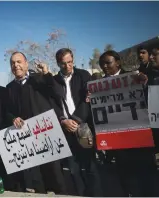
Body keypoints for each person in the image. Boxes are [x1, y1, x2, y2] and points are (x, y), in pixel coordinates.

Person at [6, 52, 67, 194]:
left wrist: (47, 74)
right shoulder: (9, 88)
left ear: (26, 64)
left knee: (57, 178)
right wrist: (13, 118)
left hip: (48, 137)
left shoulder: (40, 78)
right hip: (28, 143)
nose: (16, 65)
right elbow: (8, 111)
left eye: (19, 61)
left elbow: (59, 93)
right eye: (13, 63)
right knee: (37, 182)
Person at [98, 50, 158, 197]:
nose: (104, 66)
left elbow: (152, 103)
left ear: (118, 62)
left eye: (108, 62)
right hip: (118, 141)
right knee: (126, 179)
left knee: (147, 178)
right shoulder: (98, 86)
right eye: (102, 64)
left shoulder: (136, 78)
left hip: (141, 138)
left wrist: (144, 85)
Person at [52, 48, 103, 197]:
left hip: (84, 127)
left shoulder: (83, 75)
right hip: (65, 130)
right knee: (73, 170)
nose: (67, 66)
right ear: (58, 64)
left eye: (70, 62)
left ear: (73, 60)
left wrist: (75, 120)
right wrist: (63, 121)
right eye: (63, 64)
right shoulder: (54, 81)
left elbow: (88, 100)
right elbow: (53, 104)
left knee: (90, 167)